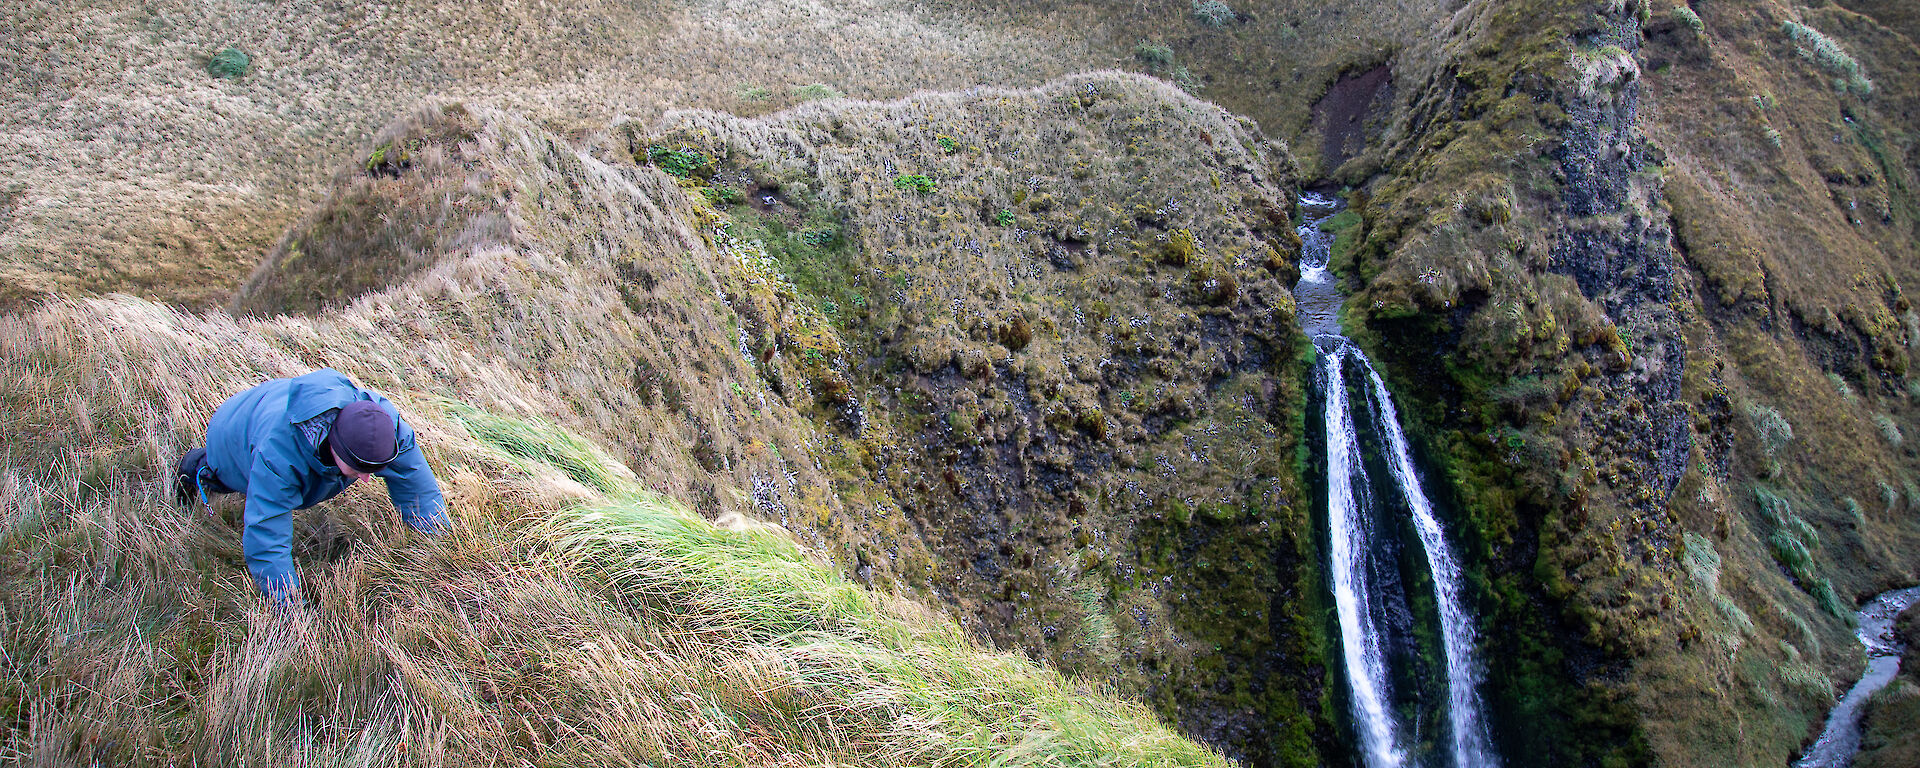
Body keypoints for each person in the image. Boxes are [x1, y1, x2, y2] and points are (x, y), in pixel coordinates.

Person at [175, 368, 447, 602]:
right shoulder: (279, 455)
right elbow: (267, 535)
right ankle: (196, 468)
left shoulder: (385, 425)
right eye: (359, 470)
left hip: (276, 404)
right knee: (232, 480)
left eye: (373, 470)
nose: (366, 479)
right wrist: (287, 606)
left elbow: (414, 479)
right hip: (231, 433)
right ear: (337, 448)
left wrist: (437, 542)